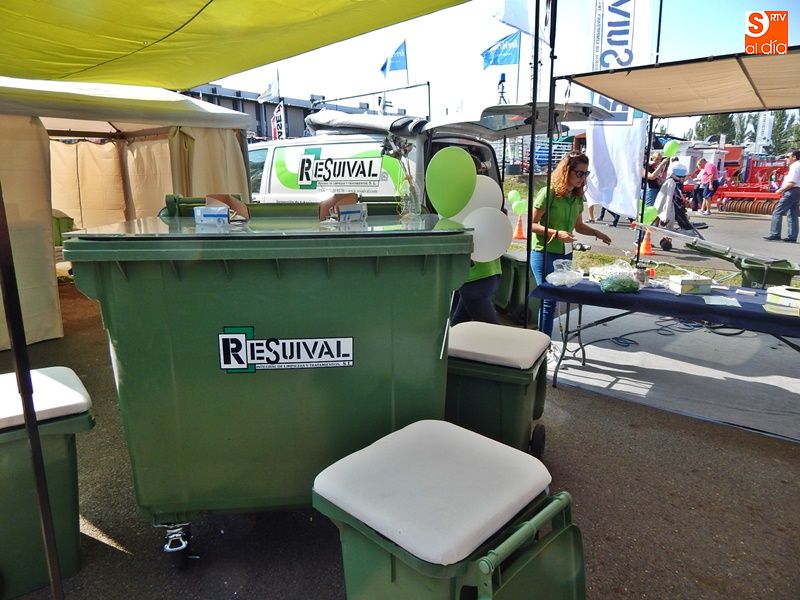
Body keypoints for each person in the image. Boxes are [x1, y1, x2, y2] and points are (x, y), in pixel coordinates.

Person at [529, 152, 612, 336]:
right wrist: (556, 233)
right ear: (566, 171)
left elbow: (579, 226)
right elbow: (531, 225)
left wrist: (597, 233)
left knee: (556, 298)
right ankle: (543, 343)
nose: (582, 178)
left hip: (565, 253)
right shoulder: (549, 193)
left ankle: (545, 341)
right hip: (544, 253)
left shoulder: (577, 196)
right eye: (579, 173)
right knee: (549, 299)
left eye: (586, 173)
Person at [450, 152, 502, 324]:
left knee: (493, 333)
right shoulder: (486, 195)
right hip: (489, 270)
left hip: (473, 276)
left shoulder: (458, 198)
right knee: (459, 325)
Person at [763, 149, 800, 243]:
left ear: (794, 157)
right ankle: (792, 236)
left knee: (777, 212)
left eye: (788, 157)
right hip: (796, 191)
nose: (786, 159)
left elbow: (792, 182)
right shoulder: (798, 165)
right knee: (792, 214)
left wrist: (781, 190)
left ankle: (775, 234)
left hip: (791, 191)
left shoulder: (795, 166)